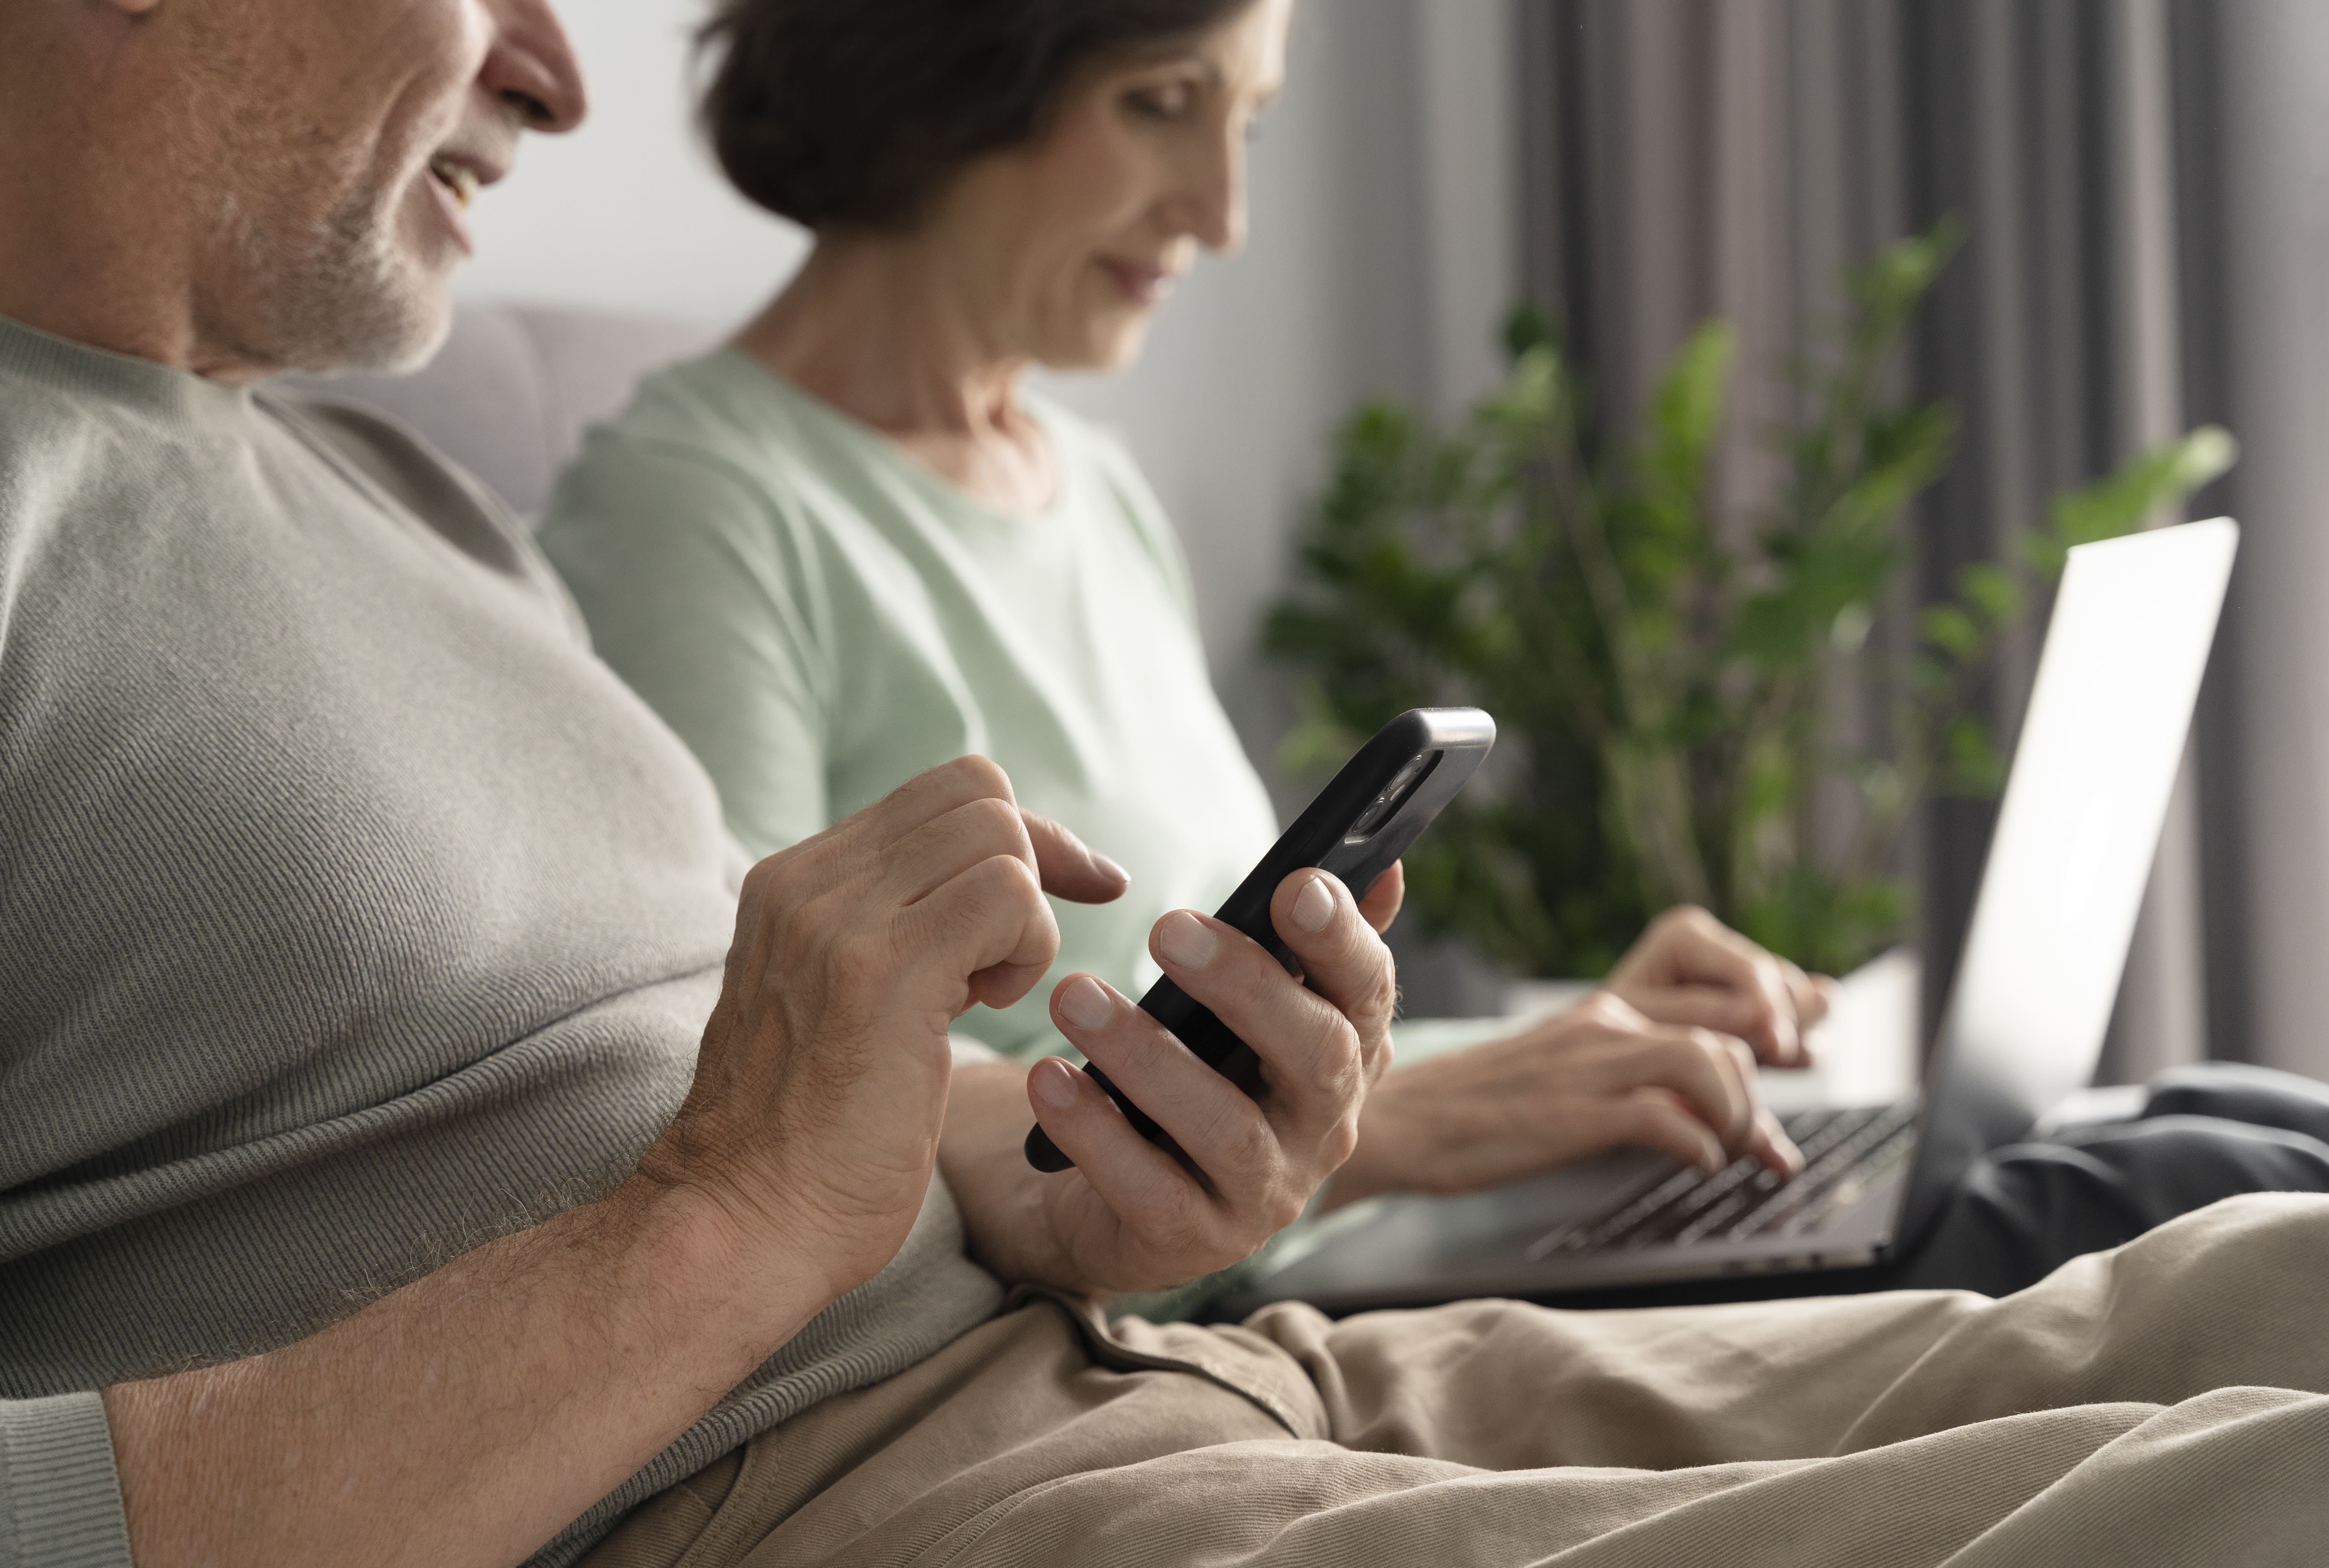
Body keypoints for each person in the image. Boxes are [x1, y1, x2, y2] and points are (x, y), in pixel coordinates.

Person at [0, 5, 2327, 1568]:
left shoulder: (408, 500)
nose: (555, 71)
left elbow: (789, 1107)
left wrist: (1116, 1160)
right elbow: (721, 1183)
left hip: (1187, 1351)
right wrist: (714, 1225)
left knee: (2260, 1260)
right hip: (815, 1501)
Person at [539, 0, 2329, 1299]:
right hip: (1240, 1289)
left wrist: (1558, 1048)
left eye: (1245, 118)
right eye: (1163, 102)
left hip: (1348, 1219)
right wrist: (1423, 1118)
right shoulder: (698, 506)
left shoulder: (1083, 485)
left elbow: (1214, 986)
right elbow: (741, 1112)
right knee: (2188, 1185)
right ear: (929, 68)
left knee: (2226, 1105)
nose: (1222, 216)